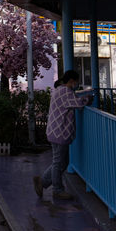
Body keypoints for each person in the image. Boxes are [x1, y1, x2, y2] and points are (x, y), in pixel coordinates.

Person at [33, 69, 93, 200]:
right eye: (77, 81)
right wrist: (88, 98)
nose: (78, 84)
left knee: (62, 162)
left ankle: (42, 182)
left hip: (54, 130)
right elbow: (78, 103)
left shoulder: (58, 90)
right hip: (60, 132)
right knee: (58, 162)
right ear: (72, 81)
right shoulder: (66, 92)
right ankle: (57, 189)